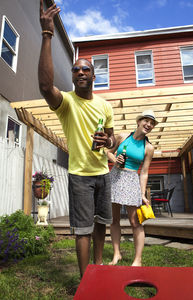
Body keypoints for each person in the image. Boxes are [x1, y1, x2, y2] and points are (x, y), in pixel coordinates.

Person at [38, 0, 115, 277]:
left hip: (103, 172)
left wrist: (108, 143)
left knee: (101, 223)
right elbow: (46, 86)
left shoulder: (105, 105)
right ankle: (86, 282)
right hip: (80, 175)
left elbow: (113, 138)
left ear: (94, 75)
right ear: (72, 76)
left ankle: (98, 267)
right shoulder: (67, 102)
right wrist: (47, 35)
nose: (80, 72)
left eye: (85, 69)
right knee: (82, 229)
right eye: (75, 70)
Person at [106, 110, 158, 266]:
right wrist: (115, 160)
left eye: (151, 123)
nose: (148, 125)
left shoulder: (148, 148)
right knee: (114, 220)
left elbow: (144, 172)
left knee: (135, 222)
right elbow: (107, 152)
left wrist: (142, 194)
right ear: (138, 121)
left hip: (131, 180)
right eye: (146, 121)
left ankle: (138, 259)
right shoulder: (122, 136)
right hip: (115, 176)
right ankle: (116, 254)